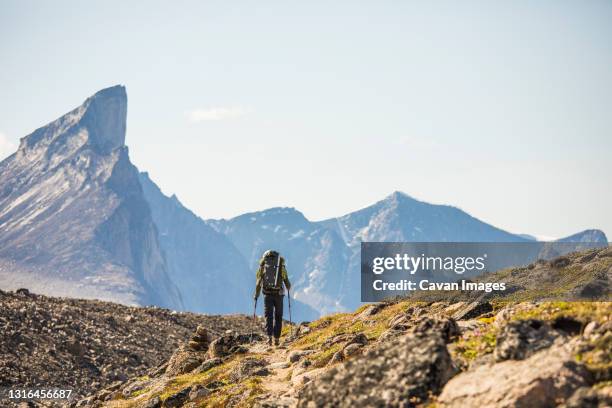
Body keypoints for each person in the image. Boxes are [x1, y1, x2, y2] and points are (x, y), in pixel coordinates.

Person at [254, 249, 291, 346]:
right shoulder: (281, 265)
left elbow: (258, 282)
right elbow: (287, 281)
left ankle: (269, 338)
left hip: (267, 294)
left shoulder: (263, 265)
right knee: (278, 317)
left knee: (268, 316)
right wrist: (287, 286)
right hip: (279, 295)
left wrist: (256, 295)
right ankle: (277, 339)